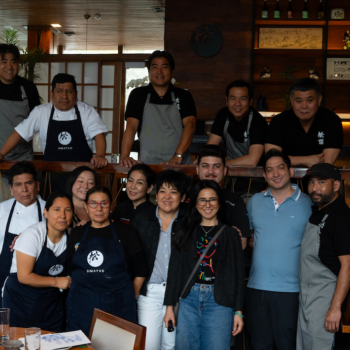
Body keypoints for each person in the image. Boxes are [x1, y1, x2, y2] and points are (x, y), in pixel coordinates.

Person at [163, 180, 245, 350]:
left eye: (212, 200)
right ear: (195, 204)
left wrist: (238, 311)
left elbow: (238, 274)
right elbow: (174, 270)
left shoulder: (231, 234)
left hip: (220, 302)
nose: (207, 205)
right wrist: (169, 306)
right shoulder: (184, 231)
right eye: (202, 200)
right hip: (188, 299)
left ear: (219, 203)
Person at [245, 149, 313, 350]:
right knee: (259, 345)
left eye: (280, 168)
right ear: (264, 175)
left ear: (291, 171)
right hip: (257, 288)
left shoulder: (308, 204)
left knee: (288, 345)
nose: (275, 174)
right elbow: (251, 238)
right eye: (270, 170)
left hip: (291, 291)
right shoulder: (255, 201)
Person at [66, 186, 148, 337]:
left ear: (111, 206)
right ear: (86, 206)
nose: (99, 209)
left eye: (104, 203)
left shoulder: (126, 232)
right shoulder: (77, 233)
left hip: (118, 306)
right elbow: (70, 268)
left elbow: (141, 270)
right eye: (93, 204)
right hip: (82, 307)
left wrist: (129, 297)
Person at [0, 73, 108, 167]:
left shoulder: (87, 111)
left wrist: (100, 155)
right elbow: (20, 133)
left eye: (69, 91)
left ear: (76, 94)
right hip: (52, 175)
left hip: (82, 175)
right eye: (59, 91)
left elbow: (99, 134)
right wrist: (2, 154)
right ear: (51, 94)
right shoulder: (41, 112)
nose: (64, 96)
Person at [132, 170, 188, 350]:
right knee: (148, 345)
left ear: (183, 196)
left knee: (171, 345)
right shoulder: (142, 219)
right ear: (156, 194)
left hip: (178, 294)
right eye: (163, 191)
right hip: (150, 293)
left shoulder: (189, 222)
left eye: (173, 192)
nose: (167, 197)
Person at [297, 163, 350, 350]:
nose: (315, 189)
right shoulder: (319, 213)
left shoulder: (341, 218)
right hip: (308, 300)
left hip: (325, 302)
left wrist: (335, 309)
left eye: (321, 182)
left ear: (336, 185)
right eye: (311, 183)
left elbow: (348, 266)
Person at [3, 192, 73, 332]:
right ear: (45, 212)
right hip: (21, 303)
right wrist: (57, 282)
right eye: (57, 209)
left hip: (51, 307)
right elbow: (24, 276)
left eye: (68, 210)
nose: (62, 216)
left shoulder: (72, 236)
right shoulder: (33, 235)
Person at [120, 50, 197, 166]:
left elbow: (190, 125)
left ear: (172, 71)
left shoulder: (183, 95)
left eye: (164, 67)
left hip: (179, 163)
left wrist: (178, 155)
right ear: (149, 71)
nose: (159, 72)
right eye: (155, 67)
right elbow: (131, 126)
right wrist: (125, 155)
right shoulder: (138, 95)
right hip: (148, 164)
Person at [205, 80, 268, 197]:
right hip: (231, 176)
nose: (237, 104)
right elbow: (211, 147)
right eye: (233, 98)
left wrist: (220, 163)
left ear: (250, 101)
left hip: (254, 179)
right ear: (227, 100)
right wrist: (204, 160)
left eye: (242, 99)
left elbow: (252, 160)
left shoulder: (258, 121)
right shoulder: (223, 115)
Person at [265, 78, 343, 167]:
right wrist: (305, 160)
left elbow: (326, 164)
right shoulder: (279, 121)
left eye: (310, 100)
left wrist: (286, 160)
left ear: (319, 99)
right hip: (284, 179)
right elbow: (271, 159)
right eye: (299, 101)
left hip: (319, 178)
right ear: (292, 101)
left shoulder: (331, 120)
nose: (304, 106)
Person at [0, 161, 45, 305]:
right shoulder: (2, 210)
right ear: (11, 189)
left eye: (28, 183)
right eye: (18, 185)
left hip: (37, 279)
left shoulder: (49, 210)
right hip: (3, 278)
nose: (24, 190)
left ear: (37, 185)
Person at [0, 44, 41, 200]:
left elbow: (36, 122)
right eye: (4, 61)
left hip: (23, 157)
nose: (9, 66)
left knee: (25, 201)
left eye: (13, 61)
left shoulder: (28, 88)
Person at [193, 145, 251, 250]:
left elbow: (241, 244)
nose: (211, 171)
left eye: (216, 166)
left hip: (222, 263)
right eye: (205, 166)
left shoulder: (235, 201)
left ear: (224, 170)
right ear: (197, 169)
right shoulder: (186, 199)